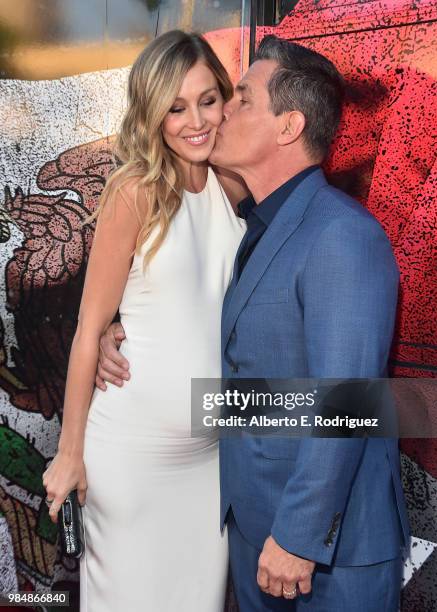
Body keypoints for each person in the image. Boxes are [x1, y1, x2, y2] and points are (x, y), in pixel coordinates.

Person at [100, 35, 410, 611]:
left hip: (323, 555)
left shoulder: (341, 234)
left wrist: (297, 536)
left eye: (240, 99)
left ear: (288, 126)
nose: (221, 114)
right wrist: (113, 333)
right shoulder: (257, 223)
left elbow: (346, 401)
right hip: (253, 533)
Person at [42, 30, 247, 611]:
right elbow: (89, 330)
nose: (196, 121)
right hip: (132, 458)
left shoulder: (230, 184)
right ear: (152, 113)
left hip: (210, 464)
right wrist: (70, 452)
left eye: (208, 100)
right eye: (176, 107)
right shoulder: (135, 192)